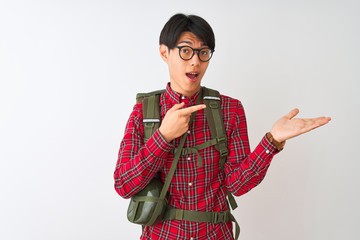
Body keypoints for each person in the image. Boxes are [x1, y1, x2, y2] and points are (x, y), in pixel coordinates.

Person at [114, 13, 331, 240]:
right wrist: (163, 137)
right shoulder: (144, 112)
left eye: (203, 52)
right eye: (186, 51)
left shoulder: (229, 109)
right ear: (164, 52)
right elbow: (123, 185)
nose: (195, 61)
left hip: (215, 234)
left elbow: (237, 184)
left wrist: (273, 140)